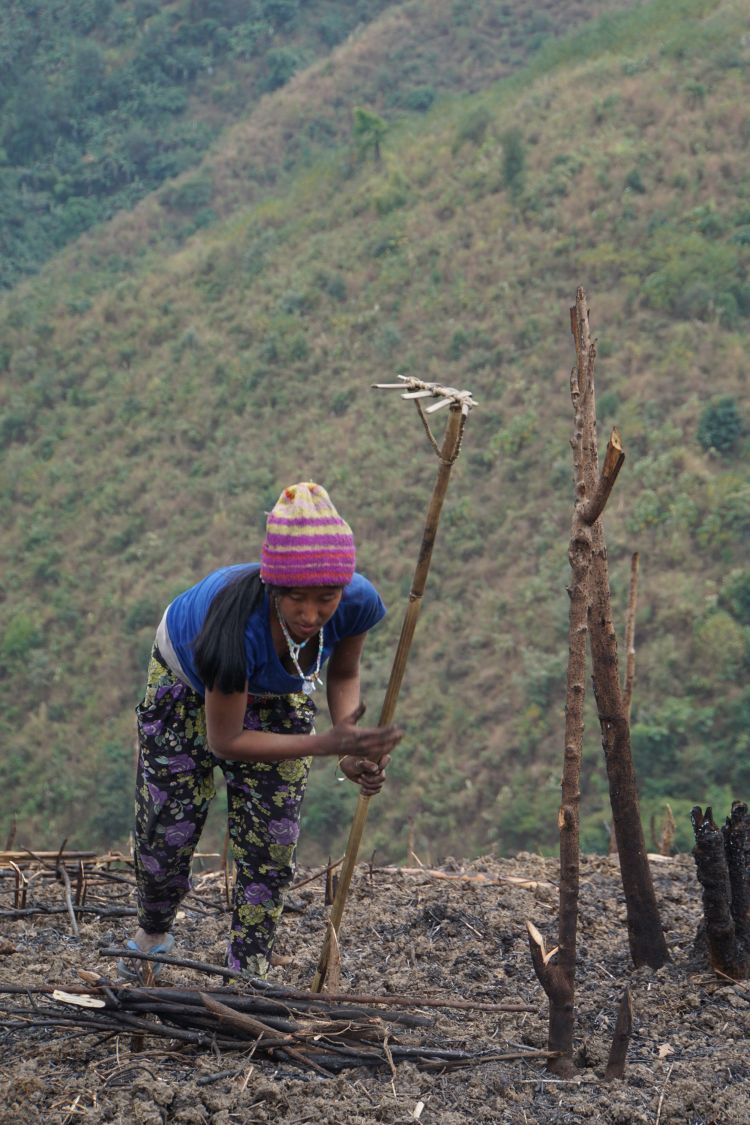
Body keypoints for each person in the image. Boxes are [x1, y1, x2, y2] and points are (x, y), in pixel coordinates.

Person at [123, 481, 402, 980]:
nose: (311, 615)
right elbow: (226, 741)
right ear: (273, 587)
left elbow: (342, 673)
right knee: (169, 825)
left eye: (326, 598)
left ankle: (247, 970)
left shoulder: (356, 602)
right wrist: (324, 744)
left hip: (277, 687)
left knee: (273, 834)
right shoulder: (234, 630)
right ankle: (153, 933)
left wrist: (349, 744)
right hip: (188, 681)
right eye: (296, 598)